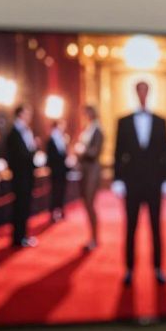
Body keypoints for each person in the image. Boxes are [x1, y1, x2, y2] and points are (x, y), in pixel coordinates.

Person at [114, 80, 166, 285]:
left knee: (156, 227)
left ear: (149, 93)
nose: (142, 94)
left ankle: (158, 268)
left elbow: (165, 153)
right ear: (135, 93)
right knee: (130, 228)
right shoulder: (124, 121)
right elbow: (118, 153)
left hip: (155, 183)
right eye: (139, 91)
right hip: (132, 183)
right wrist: (118, 179)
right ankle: (129, 269)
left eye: (145, 90)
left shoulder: (160, 121)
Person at [5, 104, 38, 249]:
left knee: (25, 207)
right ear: (20, 114)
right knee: (19, 207)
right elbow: (18, 155)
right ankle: (18, 238)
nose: (29, 116)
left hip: (27, 175)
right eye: (27, 113)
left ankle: (23, 235)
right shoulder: (14, 132)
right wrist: (32, 151)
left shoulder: (26, 131)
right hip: (20, 176)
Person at [74, 104, 104, 250]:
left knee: (90, 203)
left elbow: (94, 152)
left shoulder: (98, 130)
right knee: (86, 203)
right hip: (84, 169)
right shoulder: (88, 129)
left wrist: (82, 151)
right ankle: (92, 236)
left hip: (92, 170)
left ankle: (94, 238)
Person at [45, 118, 69, 222]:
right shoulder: (52, 139)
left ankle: (60, 210)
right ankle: (54, 213)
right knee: (55, 191)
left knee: (61, 191)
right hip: (56, 170)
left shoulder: (62, 138)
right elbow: (52, 157)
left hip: (62, 170)